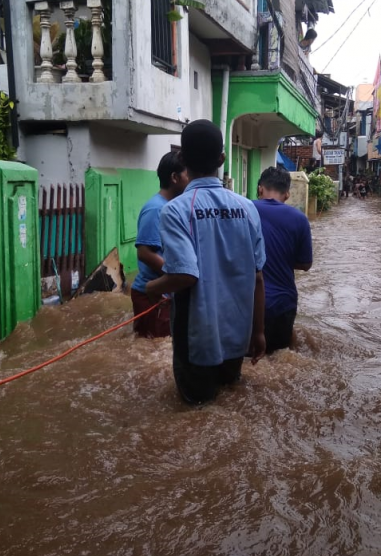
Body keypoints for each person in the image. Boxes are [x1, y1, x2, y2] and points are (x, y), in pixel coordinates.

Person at [146, 120, 266, 405]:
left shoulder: (175, 210)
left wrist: (152, 288)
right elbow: (258, 278)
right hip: (237, 336)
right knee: (230, 408)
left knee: (194, 413)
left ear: (183, 160)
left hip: (197, 340)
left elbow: (185, 275)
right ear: (222, 159)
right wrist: (259, 331)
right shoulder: (248, 208)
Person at [254, 167, 313, 354]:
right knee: (280, 358)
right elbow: (305, 264)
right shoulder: (300, 219)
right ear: (287, 194)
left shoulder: (244, 210)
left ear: (259, 189)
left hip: (248, 302)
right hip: (283, 303)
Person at [130, 152, 190, 338]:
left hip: (164, 291)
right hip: (151, 294)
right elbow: (144, 253)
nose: (191, 179)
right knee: (152, 348)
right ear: (174, 177)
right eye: (188, 174)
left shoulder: (171, 206)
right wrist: (176, 277)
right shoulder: (156, 208)